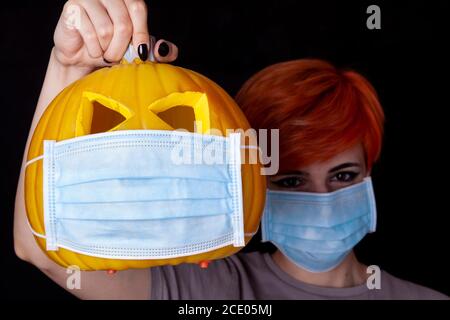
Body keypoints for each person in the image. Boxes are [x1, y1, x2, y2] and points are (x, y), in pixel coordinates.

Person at [13, 0, 448, 300]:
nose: (322, 197)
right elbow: (40, 249)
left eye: (344, 175)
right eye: (291, 179)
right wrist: (70, 65)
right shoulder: (209, 291)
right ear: (249, 183)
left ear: (370, 168)